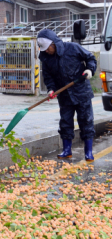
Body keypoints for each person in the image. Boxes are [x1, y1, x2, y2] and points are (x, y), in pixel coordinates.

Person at [37, 28, 97, 161]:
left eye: (48, 48)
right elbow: (48, 77)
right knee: (65, 122)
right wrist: (51, 90)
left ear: (54, 43)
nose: (46, 51)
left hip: (82, 92)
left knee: (86, 121)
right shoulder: (46, 59)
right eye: (44, 49)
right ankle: (66, 150)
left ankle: (88, 152)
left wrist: (89, 70)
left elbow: (90, 58)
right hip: (64, 95)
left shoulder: (73, 48)